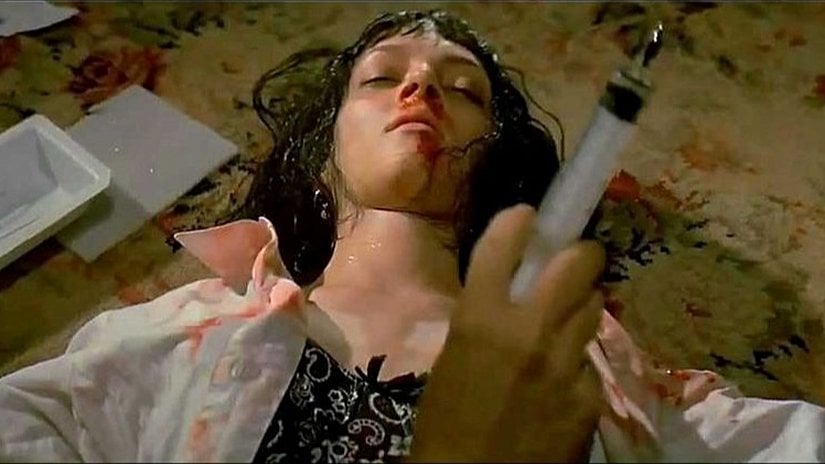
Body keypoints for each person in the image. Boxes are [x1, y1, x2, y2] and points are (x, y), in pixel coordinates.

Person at [0, 9, 823, 463]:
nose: (422, 85)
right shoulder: (169, 340)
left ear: (494, 158)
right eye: (382, 78)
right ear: (321, 150)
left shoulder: (590, 365)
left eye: (462, 89)